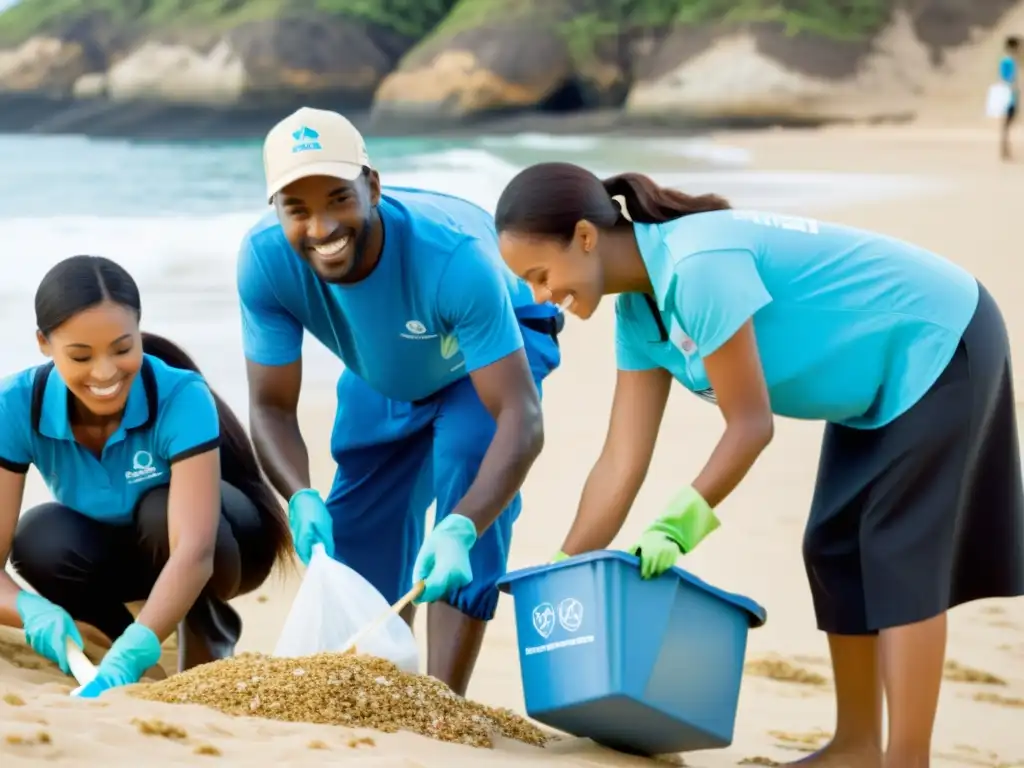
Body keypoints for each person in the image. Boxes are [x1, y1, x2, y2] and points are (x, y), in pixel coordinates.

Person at [492, 162, 1024, 768]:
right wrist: (568, 567)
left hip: (938, 335)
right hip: (870, 383)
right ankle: (856, 747)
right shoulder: (639, 316)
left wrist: (677, 525)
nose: (540, 295)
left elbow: (751, 426)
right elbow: (621, 459)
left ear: (585, 237)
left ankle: (907, 759)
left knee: (896, 550)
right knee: (831, 545)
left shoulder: (696, 269)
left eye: (540, 275)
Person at [237, 107, 562, 696]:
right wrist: (301, 495)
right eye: (297, 209)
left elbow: (521, 417)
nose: (321, 226)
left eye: (339, 198)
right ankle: (385, 694)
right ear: (276, 211)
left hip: (493, 346)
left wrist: (463, 526)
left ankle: (442, 703)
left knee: (469, 464)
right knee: (355, 534)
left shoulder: (454, 259)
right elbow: (270, 407)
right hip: (386, 359)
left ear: (374, 186)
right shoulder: (264, 262)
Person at [0, 255, 291, 697]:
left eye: (122, 349)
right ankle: (124, 640)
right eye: (80, 355)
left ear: (139, 331)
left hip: (223, 544)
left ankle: (203, 631)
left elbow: (194, 550)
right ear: (44, 343)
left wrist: (142, 645)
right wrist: (30, 610)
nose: (104, 373)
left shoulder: (181, 395)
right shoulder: (15, 405)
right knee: (38, 535)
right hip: (124, 547)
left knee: (158, 508)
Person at [1000, 36, 1020, 161]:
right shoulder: (1007, 61)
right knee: (1007, 123)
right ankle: (1004, 150)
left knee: (1007, 123)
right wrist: (1011, 86)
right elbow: (1005, 77)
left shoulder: (1012, 61)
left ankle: (1006, 149)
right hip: (1009, 95)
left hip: (1012, 94)